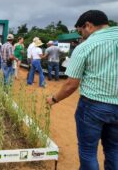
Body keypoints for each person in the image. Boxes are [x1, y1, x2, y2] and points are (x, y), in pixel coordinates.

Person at [46, 10, 118, 170]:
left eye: (80, 31)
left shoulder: (86, 46)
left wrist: (53, 99)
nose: (82, 35)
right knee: (114, 149)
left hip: (94, 106)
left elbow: (71, 84)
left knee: (88, 152)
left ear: (88, 26)